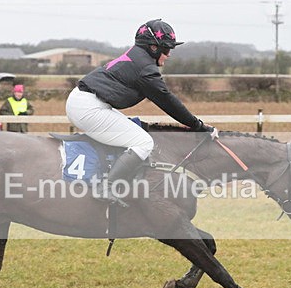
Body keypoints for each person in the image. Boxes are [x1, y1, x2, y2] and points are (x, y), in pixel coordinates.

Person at [66, 19, 215, 203]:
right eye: (167, 49)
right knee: (143, 143)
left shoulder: (138, 58)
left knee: (135, 133)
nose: (168, 55)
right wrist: (197, 125)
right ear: (153, 48)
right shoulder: (145, 69)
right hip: (89, 107)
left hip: (86, 102)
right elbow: (168, 101)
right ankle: (105, 187)